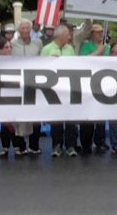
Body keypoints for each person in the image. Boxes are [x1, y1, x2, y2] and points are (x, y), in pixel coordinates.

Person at [41, 25, 79, 157]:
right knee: (56, 120)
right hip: (54, 90)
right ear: (61, 36)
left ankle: (71, 145)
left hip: (69, 89)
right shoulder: (47, 49)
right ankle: (56, 146)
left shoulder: (70, 49)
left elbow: (76, 66)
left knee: (70, 120)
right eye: (68, 34)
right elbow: (39, 68)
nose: (70, 36)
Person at [0, 38, 27, 157]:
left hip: (15, 93)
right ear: (0, 50)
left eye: (10, 47)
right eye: (6, 47)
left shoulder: (16, 61)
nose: (9, 49)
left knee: (16, 122)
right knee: (5, 123)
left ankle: (19, 146)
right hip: (1, 93)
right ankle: (5, 147)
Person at [11, 19, 43, 154]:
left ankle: (34, 145)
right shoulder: (12, 44)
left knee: (35, 115)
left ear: (30, 29)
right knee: (18, 116)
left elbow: (43, 59)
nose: (24, 30)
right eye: (22, 28)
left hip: (34, 83)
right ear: (18, 30)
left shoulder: (38, 43)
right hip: (17, 83)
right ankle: (20, 146)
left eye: (27, 28)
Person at [79, 24, 110, 154]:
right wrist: (98, 52)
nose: (99, 35)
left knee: (101, 115)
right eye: (97, 32)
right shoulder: (86, 46)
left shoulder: (107, 47)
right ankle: (86, 142)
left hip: (104, 83)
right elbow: (83, 61)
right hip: (88, 83)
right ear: (92, 34)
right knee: (88, 115)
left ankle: (100, 140)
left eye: (101, 32)